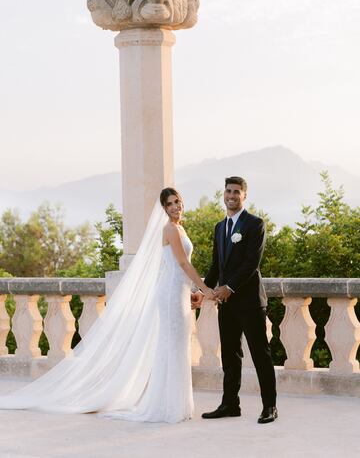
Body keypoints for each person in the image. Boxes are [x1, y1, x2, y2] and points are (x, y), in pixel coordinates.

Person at [0, 188, 215, 423]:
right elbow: (182, 263)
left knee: (178, 345)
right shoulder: (169, 229)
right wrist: (205, 289)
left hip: (179, 291)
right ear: (164, 209)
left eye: (178, 202)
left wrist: (192, 291)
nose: (175, 206)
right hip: (170, 293)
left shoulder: (180, 228)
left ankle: (178, 405)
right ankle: (166, 406)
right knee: (171, 346)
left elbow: (177, 266)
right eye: (170, 203)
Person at [192, 176, 278, 424]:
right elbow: (216, 266)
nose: (231, 195)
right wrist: (203, 290)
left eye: (236, 192)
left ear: (244, 195)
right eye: (228, 191)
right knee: (230, 356)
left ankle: (270, 406)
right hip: (227, 305)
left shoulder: (255, 224)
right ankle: (230, 404)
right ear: (224, 193)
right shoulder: (220, 227)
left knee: (261, 354)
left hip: (250, 301)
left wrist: (229, 287)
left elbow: (252, 263)